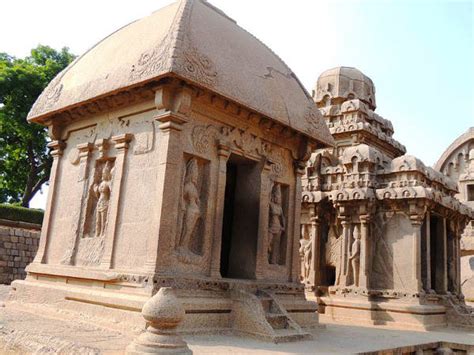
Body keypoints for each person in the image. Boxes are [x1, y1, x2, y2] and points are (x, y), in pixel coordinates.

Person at [268, 183, 285, 264]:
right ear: (274, 197)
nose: (279, 199)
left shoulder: (280, 208)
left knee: (276, 245)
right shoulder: (271, 205)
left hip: (278, 227)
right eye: (277, 197)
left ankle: (273, 261)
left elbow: (282, 218)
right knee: (268, 242)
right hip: (271, 226)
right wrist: (270, 186)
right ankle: (265, 258)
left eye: (280, 198)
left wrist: (283, 226)